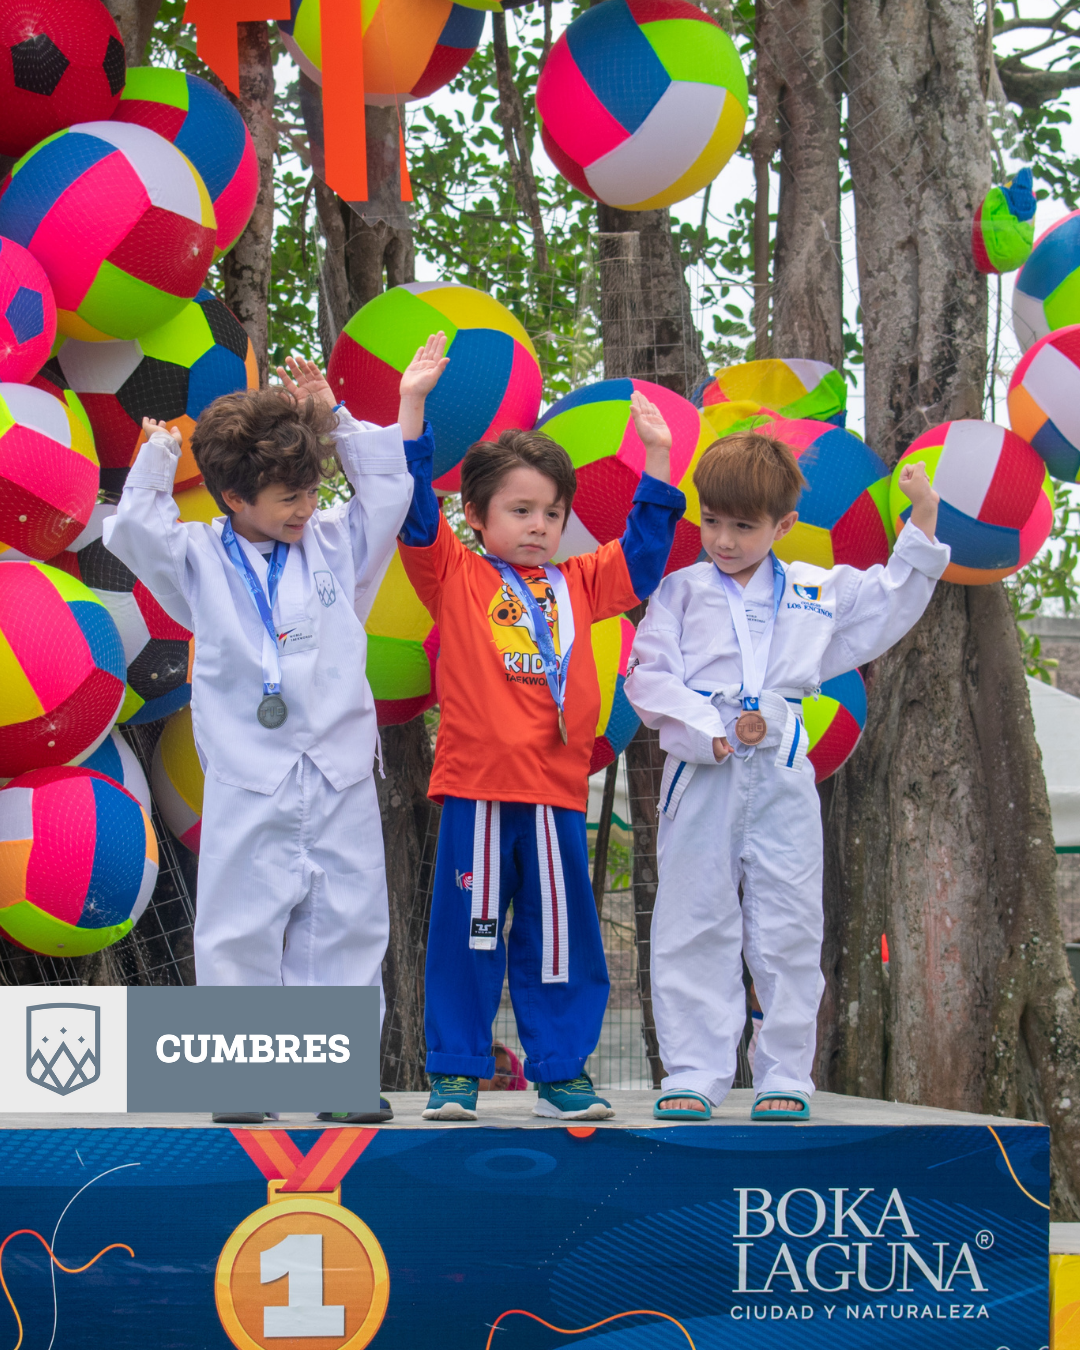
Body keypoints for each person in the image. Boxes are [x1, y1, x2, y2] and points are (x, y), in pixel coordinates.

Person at [103, 349, 444, 1124]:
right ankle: (244, 1084)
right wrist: (157, 457)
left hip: (337, 771)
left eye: (311, 490)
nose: (303, 507)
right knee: (240, 928)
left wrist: (339, 418)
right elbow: (134, 531)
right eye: (288, 497)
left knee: (347, 924)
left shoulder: (336, 543)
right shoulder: (197, 558)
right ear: (233, 497)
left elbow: (389, 489)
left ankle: (335, 1081)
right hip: (250, 774)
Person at [396, 334, 686, 1121]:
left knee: (562, 940)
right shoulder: (454, 573)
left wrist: (657, 462)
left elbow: (648, 557)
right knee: (470, 933)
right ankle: (456, 1071)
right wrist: (413, 408)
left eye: (551, 513)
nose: (538, 526)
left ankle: (561, 1070)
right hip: (479, 793)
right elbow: (414, 511)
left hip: (556, 793)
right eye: (520, 510)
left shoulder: (577, 582)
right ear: (477, 514)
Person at [625, 431, 946, 1122]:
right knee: (693, 916)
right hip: (702, 769)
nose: (725, 539)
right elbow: (648, 677)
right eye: (712, 521)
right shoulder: (680, 591)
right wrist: (709, 730)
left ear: (785, 525)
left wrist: (921, 523)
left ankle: (785, 1071)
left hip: (780, 766)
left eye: (744, 526)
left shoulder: (814, 591)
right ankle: (696, 1071)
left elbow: (890, 600)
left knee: (790, 920)